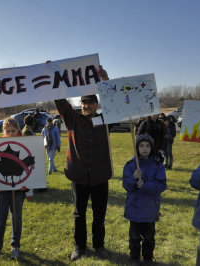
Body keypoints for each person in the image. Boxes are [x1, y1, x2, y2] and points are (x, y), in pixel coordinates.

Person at [55, 94, 112, 261]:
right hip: (78, 175)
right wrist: (54, 75)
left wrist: (105, 79)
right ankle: (79, 246)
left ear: (96, 105)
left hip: (100, 175)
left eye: (90, 103)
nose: (86, 106)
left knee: (99, 214)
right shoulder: (73, 119)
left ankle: (99, 246)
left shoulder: (106, 119)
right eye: (84, 103)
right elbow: (61, 103)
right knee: (79, 214)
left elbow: (113, 100)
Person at [0, 117, 32, 262]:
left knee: (16, 218)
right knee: (0, 219)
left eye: (13, 131)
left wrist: (28, 185)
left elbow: (32, 168)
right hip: (1, 189)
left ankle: (15, 246)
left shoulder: (25, 144)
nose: (11, 133)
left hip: (18, 189)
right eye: (7, 131)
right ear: (3, 131)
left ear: (18, 130)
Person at [122, 134, 167, 265]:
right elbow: (126, 185)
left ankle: (148, 258)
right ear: (137, 148)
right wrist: (133, 178)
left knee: (149, 237)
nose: (144, 149)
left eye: (147, 146)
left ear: (152, 148)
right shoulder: (131, 165)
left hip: (150, 209)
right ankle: (134, 257)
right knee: (134, 237)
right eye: (141, 146)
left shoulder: (157, 165)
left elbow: (161, 185)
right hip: (134, 208)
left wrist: (145, 185)